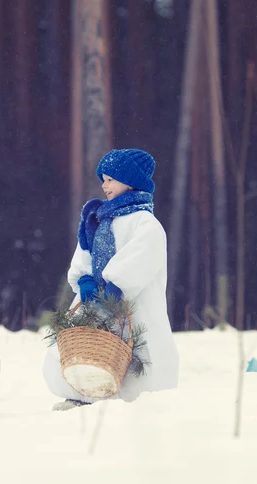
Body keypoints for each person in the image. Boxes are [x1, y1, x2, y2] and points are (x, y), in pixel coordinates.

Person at [43, 148, 179, 410]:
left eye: (110, 179)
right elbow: (85, 251)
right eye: (102, 179)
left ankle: (133, 400)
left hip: (130, 301)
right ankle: (82, 393)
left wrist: (117, 283)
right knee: (85, 342)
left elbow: (142, 255)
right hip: (95, 298)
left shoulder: (145, 222)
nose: (104, 185)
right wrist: (84, 279)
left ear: (130, 181)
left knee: (133, 347)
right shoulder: (98, 219)